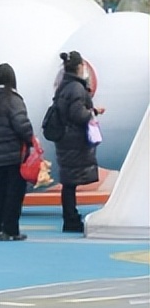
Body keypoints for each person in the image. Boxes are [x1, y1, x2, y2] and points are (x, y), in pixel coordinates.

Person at [0, 63, 35, 241]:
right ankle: (10, 229)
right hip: (14, 153)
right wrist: (30, 140)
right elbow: (22, 125)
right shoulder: (14, 99)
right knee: (15, 191)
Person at [51, 50, 102, 234]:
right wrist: (91, 113)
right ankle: (71, 218)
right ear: (80, 67)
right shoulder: (77, 88)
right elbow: (77, 114)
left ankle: (70, 217)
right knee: (71, 182)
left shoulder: (63, 87)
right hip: (74, 140)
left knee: (68, 181)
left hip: (65, 139)